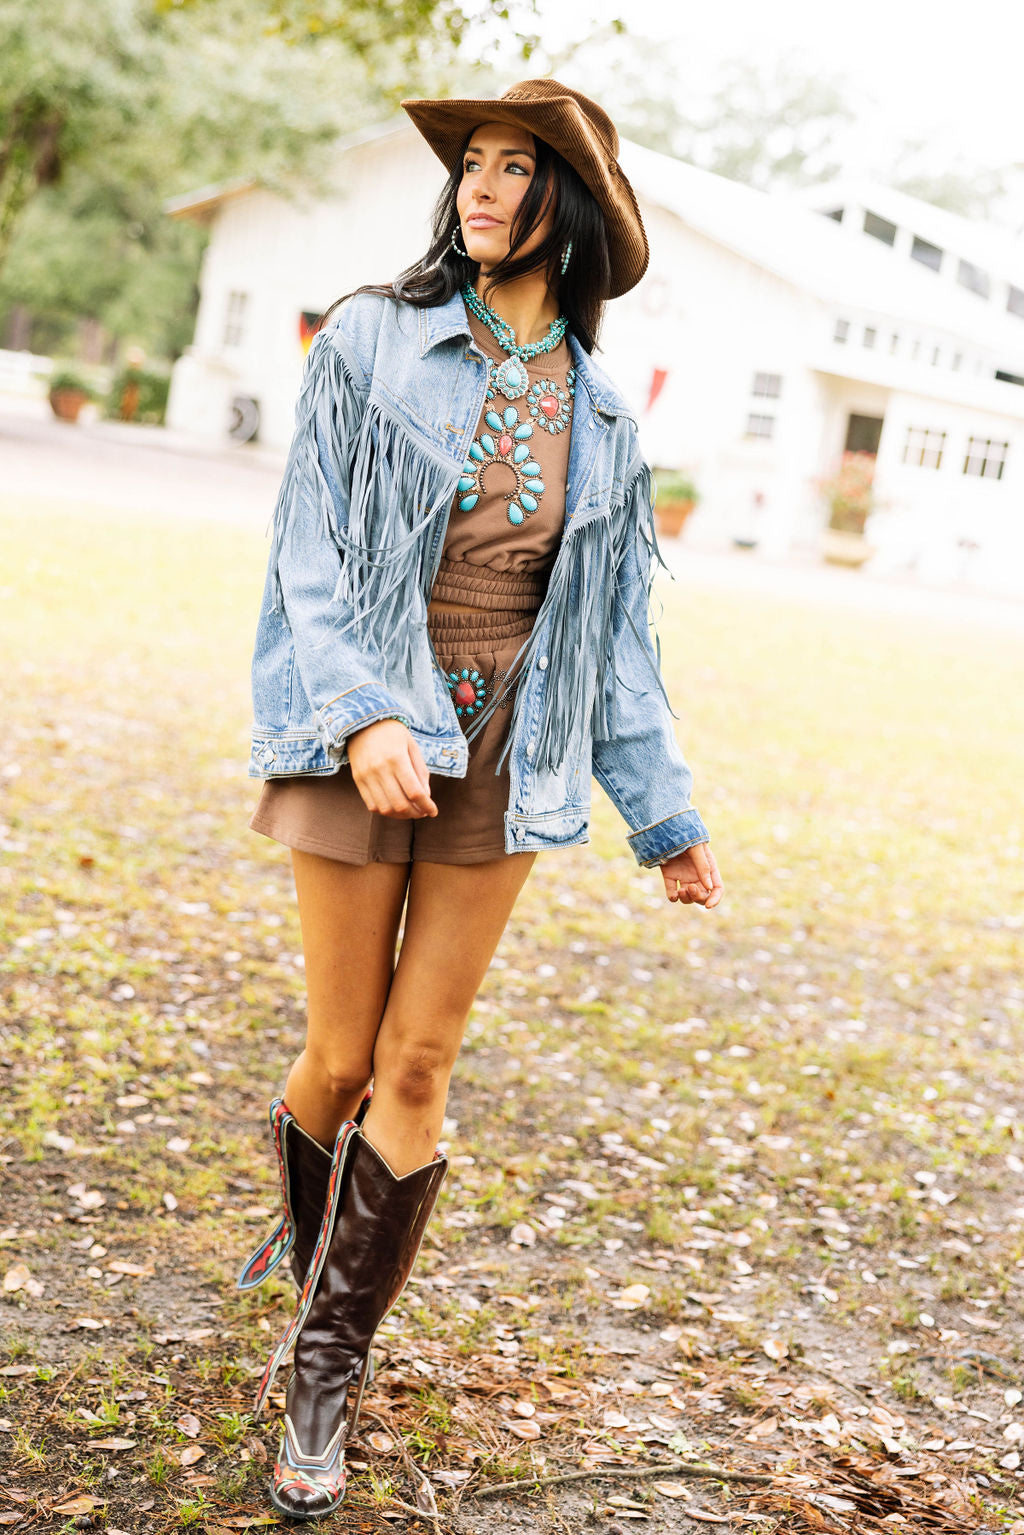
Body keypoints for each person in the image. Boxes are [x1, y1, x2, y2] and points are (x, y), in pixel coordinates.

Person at [238, 77, 724, 1521]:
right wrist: (367, 712)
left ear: (567, 210)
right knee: (341, 1058)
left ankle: (323, 1370)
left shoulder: (606, 421)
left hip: (509, 747)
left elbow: (615, 641)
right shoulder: (371, 340)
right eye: (477, 165)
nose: (484, 187)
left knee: (421, 1064)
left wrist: (667, 817)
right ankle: (312, 1277)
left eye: (517, 169)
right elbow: (310, 551)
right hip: (361, 723)